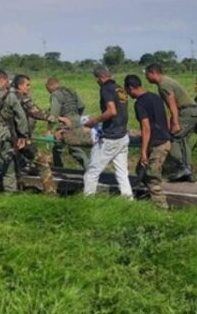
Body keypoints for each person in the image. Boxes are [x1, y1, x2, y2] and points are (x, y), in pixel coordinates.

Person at [82, 66, 132, 199]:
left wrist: (94, 121)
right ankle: (129, 200)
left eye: (96, 79)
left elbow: (112, 111)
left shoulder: (105, 88)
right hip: (123, 135)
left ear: (100, 77)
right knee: (122, 173)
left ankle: (87, 202)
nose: (97, 82)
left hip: (111, 137)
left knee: (92, 172)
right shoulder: (119, 88)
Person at [144, 64, 197, 182]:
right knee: (182, 140)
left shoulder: (163, 84)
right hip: (191, 112)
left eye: (147, 75)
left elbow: (172, 103)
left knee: (173, 138)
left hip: (185, 112)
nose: (146, 78)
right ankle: (187, 171)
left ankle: (182, 167)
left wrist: (175, 122)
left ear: (153, 73)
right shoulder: (167, 81)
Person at [124, 75, 171, 208]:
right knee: (141, 170)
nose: (127, 93)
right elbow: (164, 117)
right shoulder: (155, 97)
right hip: (164, 139)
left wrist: (143, 152)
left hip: (157, 144)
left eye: (127, 90)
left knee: (151, 177)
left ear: (131, 88)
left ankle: (162, 209)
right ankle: (145, 198)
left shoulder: (140, 103)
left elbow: (146, 128)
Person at [11, 74, 58, 194]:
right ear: (20, 85)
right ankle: (51, 194)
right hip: (21, 139)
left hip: (10, 137)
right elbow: (35, 112)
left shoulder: (8, 97)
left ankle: (14, 189)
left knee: (16, 164)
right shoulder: (21, 98)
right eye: (27, 85)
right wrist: (56, 118)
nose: (29, 87)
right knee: (43, 162)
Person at [45, 77, 89, 170]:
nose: (48, 91)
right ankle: (59, 168)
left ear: (51, 85)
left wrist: (48, 129)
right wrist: (77, 117)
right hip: (77, 119)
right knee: (60, 147)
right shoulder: (71, 91)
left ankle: (91, 171)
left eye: (47, 88)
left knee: (74, 149)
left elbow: (53, 114)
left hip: (67, 122)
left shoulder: (55, 94)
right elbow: (82, 105)